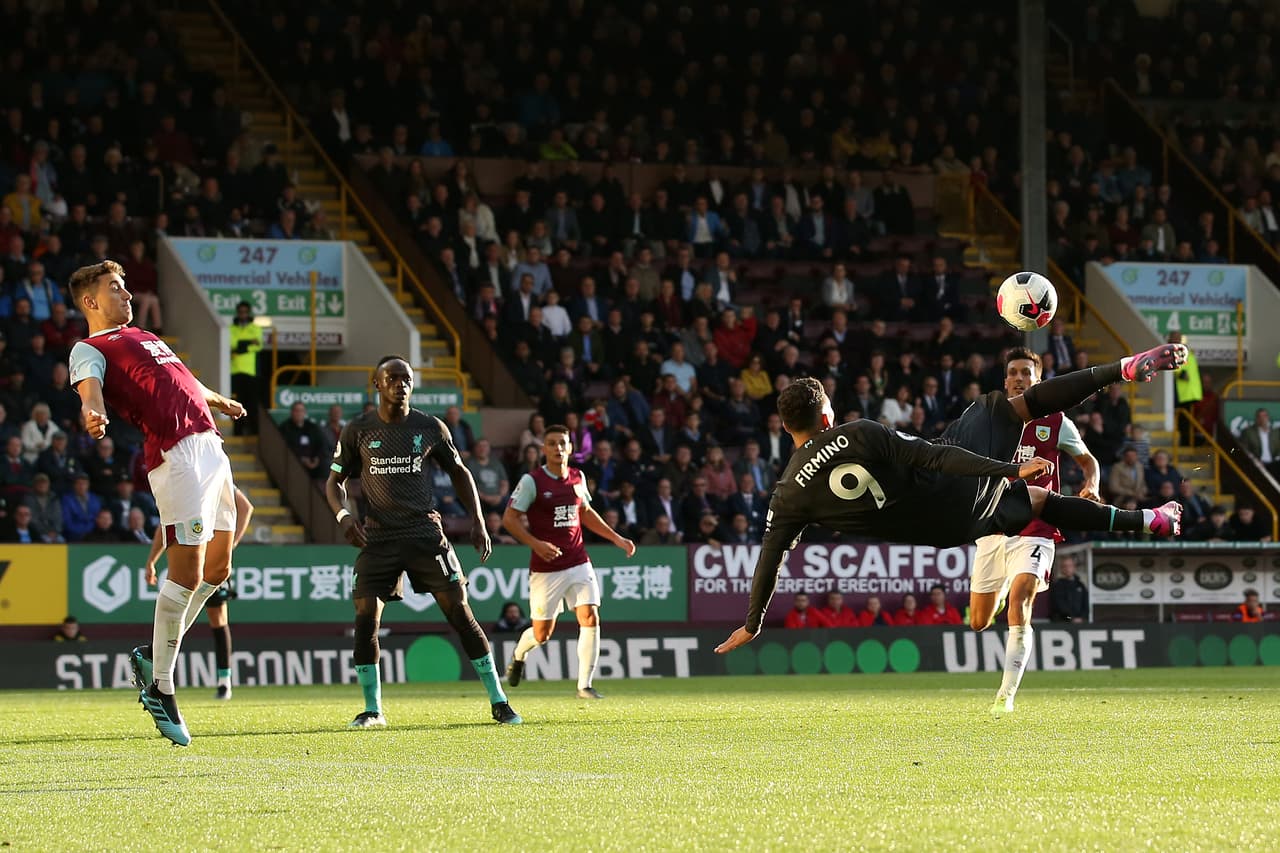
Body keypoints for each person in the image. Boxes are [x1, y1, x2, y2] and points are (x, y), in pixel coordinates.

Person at [715, 340, 1189, 656]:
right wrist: (1006, 468)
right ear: (826, 418)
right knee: (1011, 406)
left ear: (785, 427)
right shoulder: (856, 433)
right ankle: (1122, 368)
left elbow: (768, 560)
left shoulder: (786, 496)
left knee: (1039, 503)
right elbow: (933, 457)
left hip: (945, 531)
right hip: (952, 483)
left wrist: (753, 622)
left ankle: (1149, 520)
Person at [68, 260, 245, 747]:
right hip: (176, 457)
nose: (126, 294)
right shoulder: (90, 348)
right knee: (185, 574)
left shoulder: (145, 335)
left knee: (219, 570)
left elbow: (183, 382)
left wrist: (217, 399)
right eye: (115, 288)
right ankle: (161, 687)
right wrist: (94, 413)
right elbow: (91, 389)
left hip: (211, 446)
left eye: (124, 286)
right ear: (90, 302)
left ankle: (153, 653)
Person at [327, 356, 521, 727]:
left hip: (425, 535)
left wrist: (478, 521)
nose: (401, 385)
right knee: (365, 616)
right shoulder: (358, 430)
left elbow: (460, 473)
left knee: (461, 613)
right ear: (377, 383)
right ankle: (372, 709)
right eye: (393, 378)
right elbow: (333, 482)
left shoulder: (430, 427)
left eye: (407, 379)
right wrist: (344, 516)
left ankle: (499, 701)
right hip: (379, 537)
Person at [969, 347, 1100, 714]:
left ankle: (1005, 697)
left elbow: (1087, 459)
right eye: (1013, 372)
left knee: (1023, 595)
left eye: (1027, 373)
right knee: (979, 622)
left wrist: (1092, 482)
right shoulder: (987, 421)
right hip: (993, 528)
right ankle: (1001, 590)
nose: (1019, 378)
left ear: (1038, 380)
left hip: (1038, 525)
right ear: (1005, 379)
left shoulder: (1057, 422)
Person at [501, 425, 636, 699]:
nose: (558, 448)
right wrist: (535, 544)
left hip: (578, 561)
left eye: (562, 443)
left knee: (590, 615)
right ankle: (518, 654)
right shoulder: (532, 481)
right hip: (546, 568)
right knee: (542, 634)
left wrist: (617, 539)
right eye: (552, 443)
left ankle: (584, 686)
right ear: (544, 449)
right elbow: (509, 519)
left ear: (570, 448)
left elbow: (585, 513)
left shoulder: (577, 477)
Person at [141, 486, 254, 700]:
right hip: (198, 555)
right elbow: (165, 525)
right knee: (186, 615)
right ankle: (163, 670)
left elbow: (246, 507)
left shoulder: (206, 478)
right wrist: (152, 560)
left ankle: (223, 681)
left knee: (214, 618)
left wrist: (230, 545)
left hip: (205, 558)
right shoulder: (197, 479)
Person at [229, 301, 263, 436]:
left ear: (248, 313)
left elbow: (258, 345)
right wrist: (249, 343)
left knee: (252, 403)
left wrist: (240, 347)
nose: (242, 315)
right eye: (240, 312)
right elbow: (231, 344)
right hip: (235, 371)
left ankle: (254, 432)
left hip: (250, 372)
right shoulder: (231, 328)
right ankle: (238, 432)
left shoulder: (255, 328)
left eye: (245, 312)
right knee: (236, 403)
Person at [1048, 555, 1088, 622]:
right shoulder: (1057, 586)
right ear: (1061, 569)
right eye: (1065, 566)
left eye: (1070, 566)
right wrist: (1071, 618)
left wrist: (1081, 618)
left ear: (1074, 567)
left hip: (1080, 623)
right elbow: (1059, 606)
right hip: (1062, 623)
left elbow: (1085, 604)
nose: (1067, 569)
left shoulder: (1080, 586)